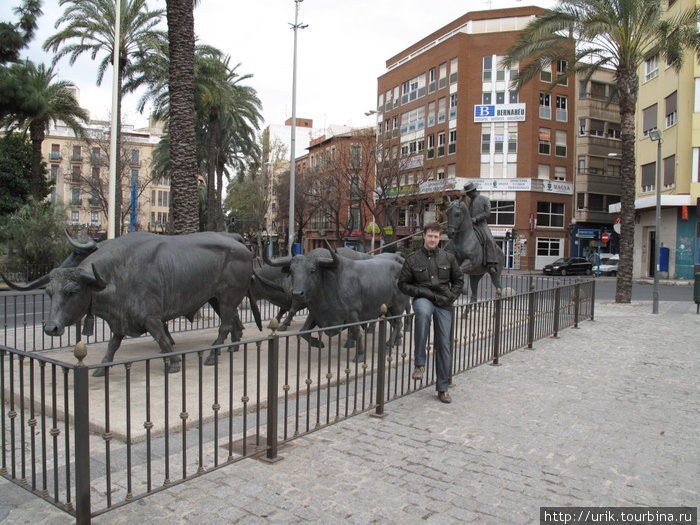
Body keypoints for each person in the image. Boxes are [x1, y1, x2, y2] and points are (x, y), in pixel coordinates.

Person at [398, 222, 464, 403]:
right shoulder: (412, 259)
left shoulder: (448, 258)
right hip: (423, 298)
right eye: (430, 236)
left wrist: (452, 296)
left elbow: (458, 279)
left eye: (436, 236)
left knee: (443, 343)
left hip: (444, 301)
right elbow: (402, 284)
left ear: (439, 237)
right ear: (424, 236)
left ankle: (442, 388)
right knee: (423, 315)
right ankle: (420, 363)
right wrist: (424, 293)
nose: (433, 239)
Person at [462, 182, 499, 274]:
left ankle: (491, 264)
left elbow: (487, 213)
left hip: (481, 225)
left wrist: (476, 218)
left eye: (468, 192)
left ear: (473, 191)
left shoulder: (484, 199)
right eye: (467, 193)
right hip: (471, 225)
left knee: (489, 240)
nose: (468, 195)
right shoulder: (469, 201)